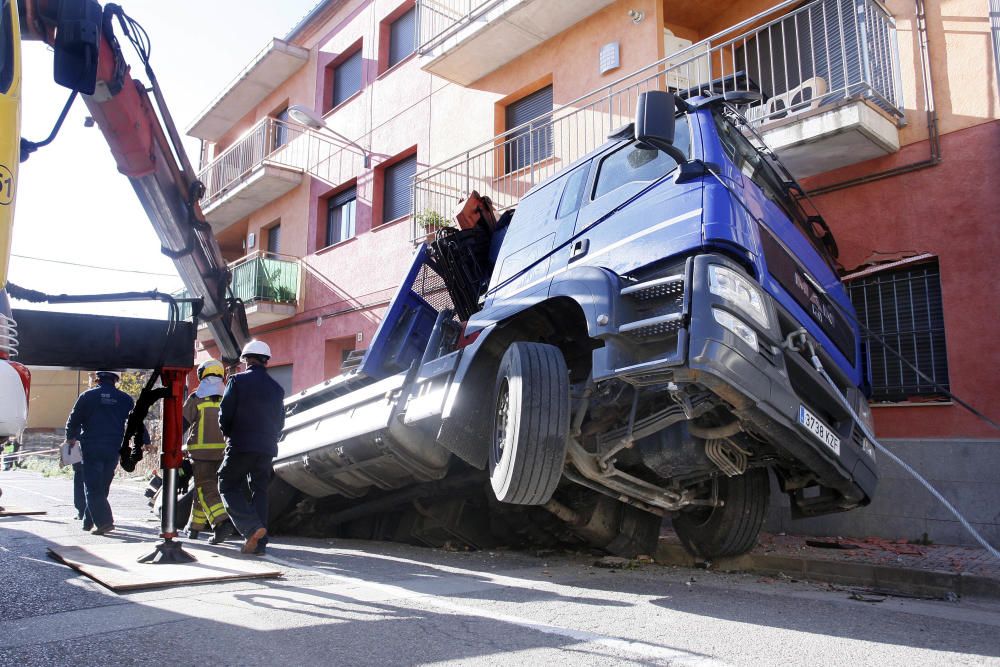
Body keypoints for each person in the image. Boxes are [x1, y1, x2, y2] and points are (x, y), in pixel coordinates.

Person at [218, 340, 284, 555]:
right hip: (267, 447)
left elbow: (225, 413)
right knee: (260, 491)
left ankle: (251, 528)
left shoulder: (237, 381)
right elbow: (280, 422)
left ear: (246, 360)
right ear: (266, 361)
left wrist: (228, 434)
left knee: (227, 484)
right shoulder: (277, 389)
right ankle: (259, 543)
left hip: (241, 444)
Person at [65, 370, 133, 534]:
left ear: (98, 379)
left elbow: (74, 418)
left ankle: (104, 522)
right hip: (114, 447)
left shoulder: (87, 396)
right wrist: (144, 441)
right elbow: (135, 421)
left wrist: (71, 437)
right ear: (116, 380)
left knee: (93, 487)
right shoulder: (125, 399)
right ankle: (88, 522)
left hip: (92, 447)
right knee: (102, 486)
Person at [182, 358, 236, 544]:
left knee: (206, 489)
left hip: (201, 455)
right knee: (203, 490)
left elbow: (181, 424)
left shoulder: (196, 398)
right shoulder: (229, 396)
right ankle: (194, 527)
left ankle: (221, 523)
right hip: (224, 453)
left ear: (201, 374)